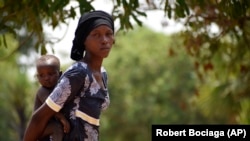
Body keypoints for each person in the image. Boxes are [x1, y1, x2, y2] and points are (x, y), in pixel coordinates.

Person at [23, 10, 114, 141]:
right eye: (96, 35)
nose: (104, 40)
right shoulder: (78, 73)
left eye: (108, 34)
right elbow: (39, 118)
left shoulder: (103, 74)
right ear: (84, 40)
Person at [34, 54, 70, 141]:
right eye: (41, 75)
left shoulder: (60, 90)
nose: (46, 78)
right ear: (38, 77)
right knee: (56, 128)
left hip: (48, 127)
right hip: (38, 127)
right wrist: (62, 118)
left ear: (60, 74)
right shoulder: (42, 91)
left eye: (50, 74)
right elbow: (51, 107)